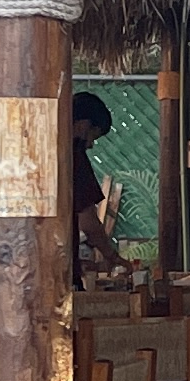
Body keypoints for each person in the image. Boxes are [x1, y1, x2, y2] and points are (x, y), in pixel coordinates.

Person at [72, 91, 125, 278]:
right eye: (93, 137)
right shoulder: (74, 157)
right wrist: (112, 256)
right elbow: (88, 222)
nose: (91, 145)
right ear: (84, 126)